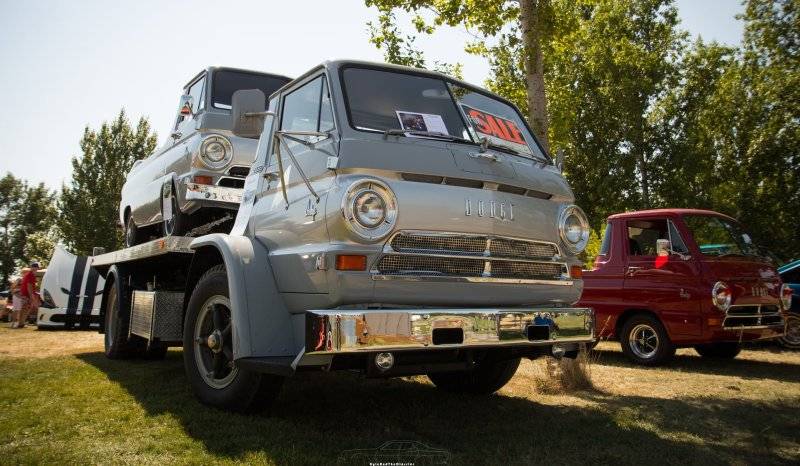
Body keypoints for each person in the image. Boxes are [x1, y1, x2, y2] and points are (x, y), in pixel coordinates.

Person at [14, 262, 40, 328]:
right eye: (34, 267)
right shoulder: (31, 275)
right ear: (32, 268)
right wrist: (31, 296)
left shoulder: (29, 274)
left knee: (25, 309)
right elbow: (29, 286)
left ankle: (21, 323)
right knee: (25, 309)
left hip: (25, 294)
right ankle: (20, 324)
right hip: (27, 294)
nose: (36, 268)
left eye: (36, 267)